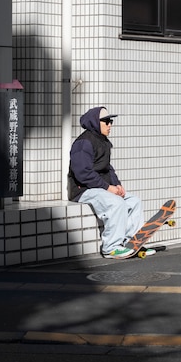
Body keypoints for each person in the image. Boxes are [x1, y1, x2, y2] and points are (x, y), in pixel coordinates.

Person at [68, 106, 155, 259]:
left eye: (111, 121)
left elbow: (108, 169)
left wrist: (117, 185)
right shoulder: (83, 143)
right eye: (106, 122)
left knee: (134, 201)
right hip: (83, 190)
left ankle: (132, 243)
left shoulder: (103, 142)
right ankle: (111, 247)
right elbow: (83, 174)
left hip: (100, 188)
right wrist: (108, 188)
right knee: (116, 204)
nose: (110, 125)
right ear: (95, 122)